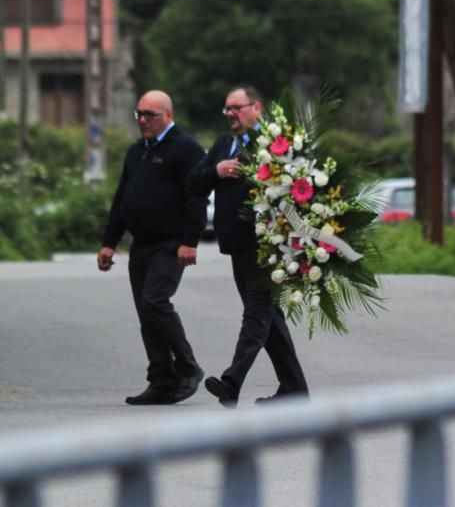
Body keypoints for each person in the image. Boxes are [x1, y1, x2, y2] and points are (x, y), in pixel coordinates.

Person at [190, 84, 308, 407]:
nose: (230, 114)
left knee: (257, 314)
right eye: (227, 108)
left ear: (256, 108)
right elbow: (195, 182)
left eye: (236, 108)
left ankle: (232, 382)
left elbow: (297, 189)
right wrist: (217, 170)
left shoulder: (274, 143)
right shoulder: (224, 144)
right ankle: (295, 389)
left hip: (267, 247)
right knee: (269, 318)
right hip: (236, 245)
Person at [98, 90, 208, 405]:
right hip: (141, 244)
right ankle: (161, 380)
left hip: (171, 243)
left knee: (155, 300)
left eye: (151, 115)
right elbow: (121, 200)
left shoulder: (186, 149)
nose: (143, 121)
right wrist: (109, 243)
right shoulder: (137, 152)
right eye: (139, 115)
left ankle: (188, 367)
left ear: (168, 115)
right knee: (146, 312)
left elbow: (196, 198)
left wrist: (190, 241)